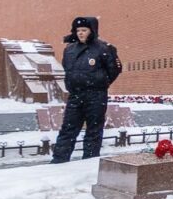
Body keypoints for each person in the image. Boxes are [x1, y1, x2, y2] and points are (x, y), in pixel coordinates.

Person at [51, 15, 122, 163]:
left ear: (92, 30)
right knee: (68, 129)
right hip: (75, 95)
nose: (80, 33)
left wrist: (101, 82)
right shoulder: (69, 50)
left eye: (84, 30)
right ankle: (59, 161)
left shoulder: (103, 48)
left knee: (93, 130)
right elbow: (67, 69)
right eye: (78, 30)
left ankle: (89, 162)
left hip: (96, 95)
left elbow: (114, 69)